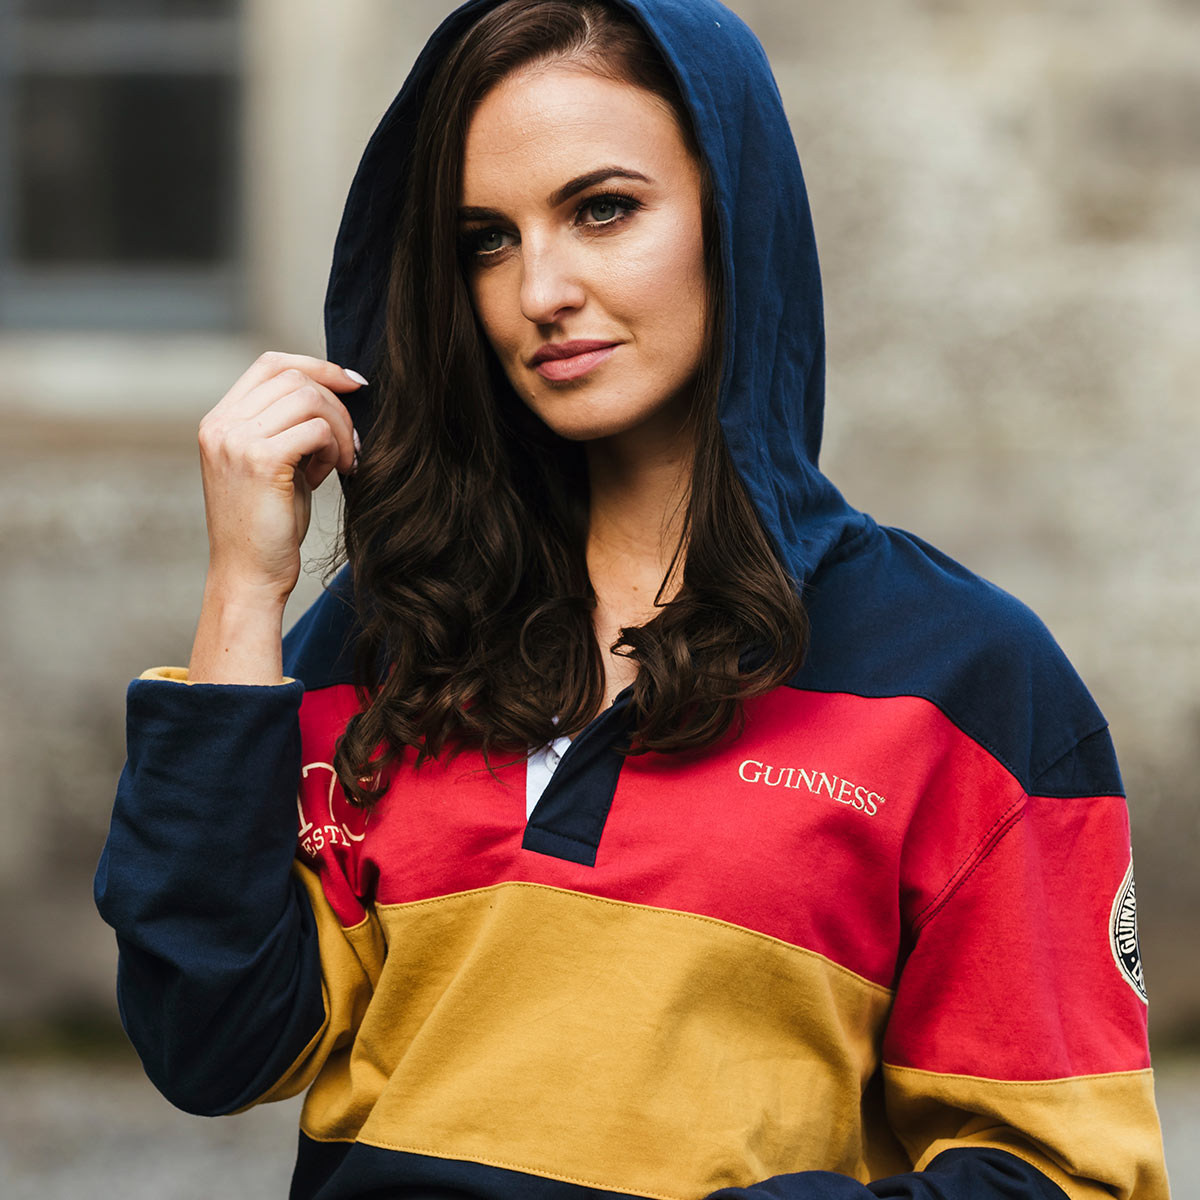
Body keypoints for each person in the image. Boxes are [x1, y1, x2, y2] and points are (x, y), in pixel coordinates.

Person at [94, 1, 1171, 1198]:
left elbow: (1064, 1178)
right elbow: (214, 1041)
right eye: (485, 240)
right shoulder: (394, 636)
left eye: (602, 209)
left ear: (733, 217)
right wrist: (245, 586)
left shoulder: (964, 675)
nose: (539, 289)